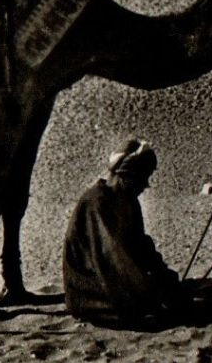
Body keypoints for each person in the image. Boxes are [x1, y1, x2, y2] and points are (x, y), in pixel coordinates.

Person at [63, 139, 189, 328]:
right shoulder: (97, 203)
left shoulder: (128, 200)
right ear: (125, 175)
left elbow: (142, 246)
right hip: (90, 290)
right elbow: (115, 258)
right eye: (142, 177)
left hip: (116, 279)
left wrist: (167, 280)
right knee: (148, 312)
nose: (146, 185)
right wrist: (150, 293)